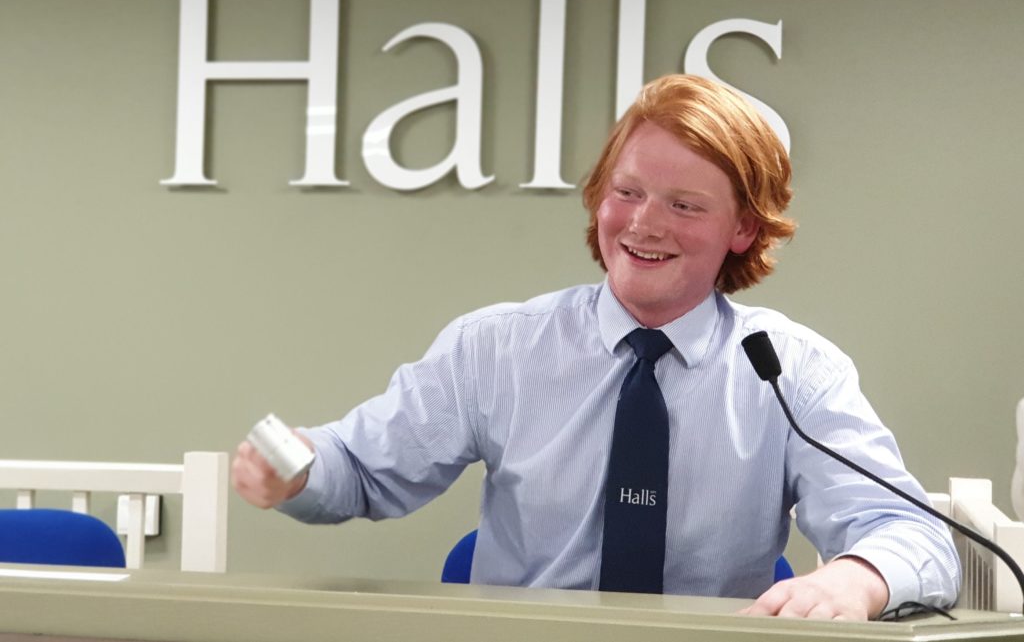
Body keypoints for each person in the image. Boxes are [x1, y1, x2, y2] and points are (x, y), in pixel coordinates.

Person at [232, 74, 959, 620]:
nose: (644, 224)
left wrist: (852, 579)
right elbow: (361, 466)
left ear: (742, 228)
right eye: (627, 191)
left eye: (684, 205)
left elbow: (911, 535)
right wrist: (297, 470)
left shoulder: (794, 371)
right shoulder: (496, 348)